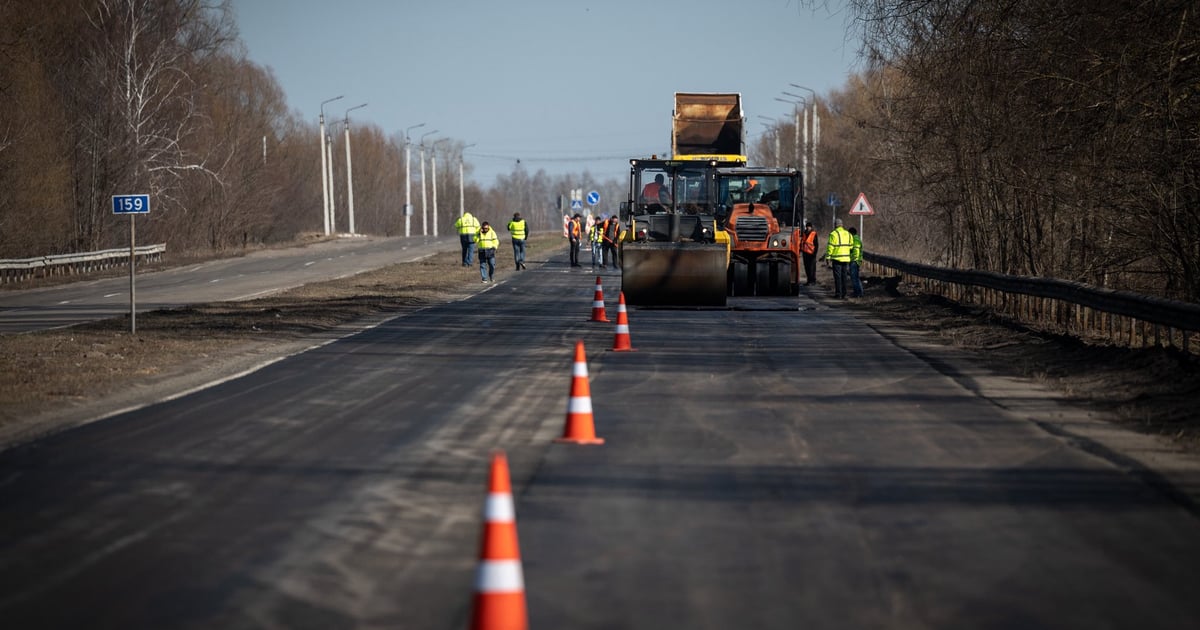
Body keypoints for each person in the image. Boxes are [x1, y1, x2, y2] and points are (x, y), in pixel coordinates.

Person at [825, 218, 854, 299]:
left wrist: (828, 257)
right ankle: (844, 294)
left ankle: (838, 294)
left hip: (837, 259)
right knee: (844, 277)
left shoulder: (833, 234)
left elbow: (830, 247)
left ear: (835, 225)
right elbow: (851, 246)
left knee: (838, 277)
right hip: (846, 259)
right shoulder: (848, 234)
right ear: (842, 225)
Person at [800, 221, 818, 286]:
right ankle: (809, 281)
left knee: (812, 268)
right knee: (807, 268)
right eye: (807, 226)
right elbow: (802, 243)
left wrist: (815, 253)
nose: (808, 228)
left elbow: (816, 244)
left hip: (811, 254)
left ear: (811, 227)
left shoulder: (814, 233)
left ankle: (812, 281)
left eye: (809, 227)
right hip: (805, 253)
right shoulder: (804, 233)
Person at [848, 226, 864, 298]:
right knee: (856, 277)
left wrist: (853, 259)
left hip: (854, 261)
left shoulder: (855, 239)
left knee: (854, 278)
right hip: (856, 261)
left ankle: (857, 293)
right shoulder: (856, 239)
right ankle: (860, 292)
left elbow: (856, 251)